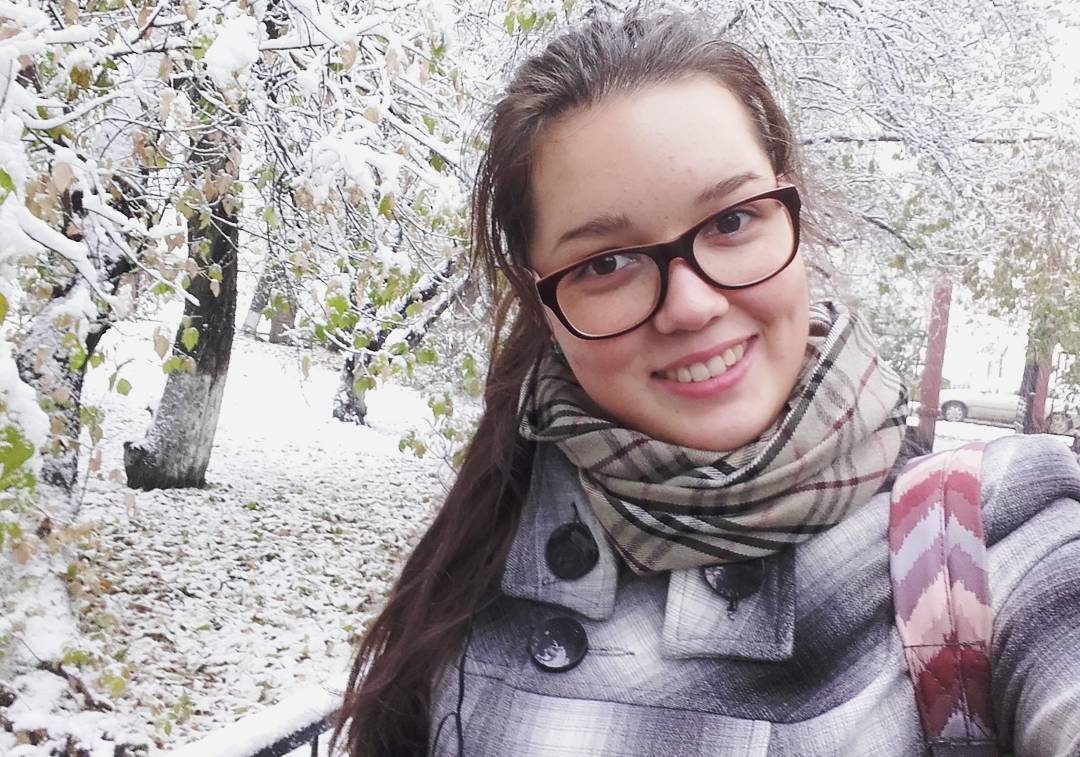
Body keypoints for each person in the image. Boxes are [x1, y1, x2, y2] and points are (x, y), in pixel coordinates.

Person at [335, 12, 1080, 757]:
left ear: (791, 210)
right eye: (605, 263)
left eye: (731, 221)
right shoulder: (485, 544)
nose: (691, 306)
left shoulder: (984, 539)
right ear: (543, 303)